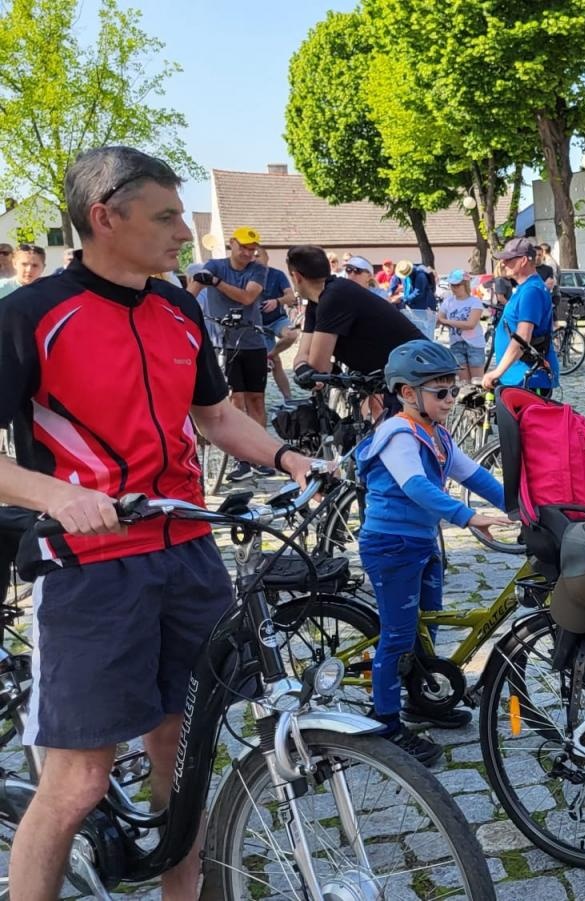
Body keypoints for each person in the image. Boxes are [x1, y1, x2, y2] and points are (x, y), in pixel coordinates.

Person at [0, 145, 315, 901]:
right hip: (90, 564)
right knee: (78, 780)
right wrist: (56, 496)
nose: (184, 232)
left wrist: (287, 457)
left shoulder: (177, 307)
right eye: (167, 216)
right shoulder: (30, 314)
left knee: (185, 751)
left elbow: (215, 417)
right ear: (105, 218)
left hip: (187, 550)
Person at [355, 339, 511, 764]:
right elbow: (416, 486)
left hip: (422, 542)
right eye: (441, 392)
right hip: (391, 546)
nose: (450, 400)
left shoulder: (437, 434)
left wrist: (519, 507)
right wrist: (468, 517)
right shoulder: (398, 433)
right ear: (408, 393)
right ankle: (385, 724)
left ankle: (420, 699)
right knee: (398, 635)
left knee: (427, 626)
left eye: (453, 390)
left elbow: (475, 475)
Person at [288, 245, 423, 417]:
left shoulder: (334, 296)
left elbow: (318, 367)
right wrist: (303, 367)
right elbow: (303, 355)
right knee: (374, 417)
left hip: (414, 374)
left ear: (296, 276)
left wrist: (306, 369)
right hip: (389, 375)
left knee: (393, 428)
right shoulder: (318, 302)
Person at [189, 227, 270, 481]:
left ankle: (261, 455)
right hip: (223, 343)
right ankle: (240, 458)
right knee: (235, 400)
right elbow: (190, 295)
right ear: (232, 243)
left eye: (251, 249)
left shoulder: (257, 269)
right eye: (243, 247)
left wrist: (216, 283)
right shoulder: (215, 266)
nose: (247, 253)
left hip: (252, 341)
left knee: (256, 400)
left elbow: (247, 297)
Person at [482, 237, 557, 398]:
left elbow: (523, 336)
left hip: (528, 377)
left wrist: (497, 372)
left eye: (508, 259)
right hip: (517, 375)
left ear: (523, 261)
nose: (503, 263)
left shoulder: (532, 291)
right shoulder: (525, 288)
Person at [254, 247, 300, 402]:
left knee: (291, 335)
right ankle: (287, 398)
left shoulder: (277, 275)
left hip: (277, 319)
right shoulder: (246, 276)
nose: (254, 259)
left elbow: (291, 297)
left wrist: (277, 301)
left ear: (266, 257)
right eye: (252, 256)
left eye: (257, 255)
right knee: (276, 363)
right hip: (257, 324)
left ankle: (270, 354)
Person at [437, 268, 486, 382]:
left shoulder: (475, 301)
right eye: (452, 285)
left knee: (477, 381)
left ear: (465, 284)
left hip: (474, 345)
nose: (454, 288)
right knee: (463, 382)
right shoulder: (448, 301)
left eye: (457, 285)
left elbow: (470, 324)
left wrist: (446, 321)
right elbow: (439, 319)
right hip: (456, 343)